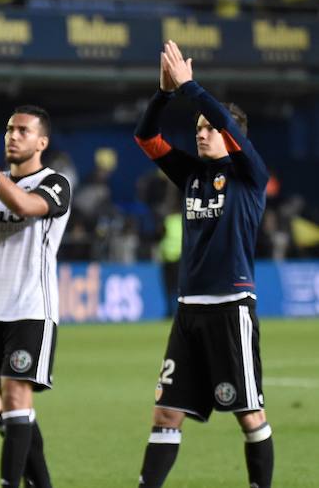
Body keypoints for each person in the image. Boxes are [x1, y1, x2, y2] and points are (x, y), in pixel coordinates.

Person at [134, 41, 272, 488]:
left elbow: (227, 122)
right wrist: (164, 94)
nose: (201, 133)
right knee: (166, 413)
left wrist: (191, 87)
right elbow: (146, 138)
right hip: (188, 310)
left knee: (249, 414)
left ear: (232, 137)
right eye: (197, 128)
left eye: (209, 128)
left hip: (230, 307)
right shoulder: (191, 173)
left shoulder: (249, 175)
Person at [0, 106, 71, 488]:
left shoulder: (55, 183)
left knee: (16, 397)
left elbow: (24, 205)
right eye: (9, 129)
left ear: (41, 142)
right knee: (11, 406)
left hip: (31, 309)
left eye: (23, 131)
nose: (13, 136)